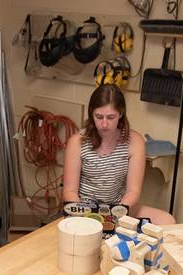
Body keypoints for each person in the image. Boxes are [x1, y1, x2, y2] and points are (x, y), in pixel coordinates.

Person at [63, 83, 175, 225]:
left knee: (167, 220)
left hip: (120, 206)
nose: (104, 124)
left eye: (110, 117)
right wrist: (85, 215)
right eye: (98, 117)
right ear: (91, 114)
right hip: (84, 208)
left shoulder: (134, 142)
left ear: (120, 114)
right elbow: (69, 191)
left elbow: (133, 191)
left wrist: (117, 212)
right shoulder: (77, 142)